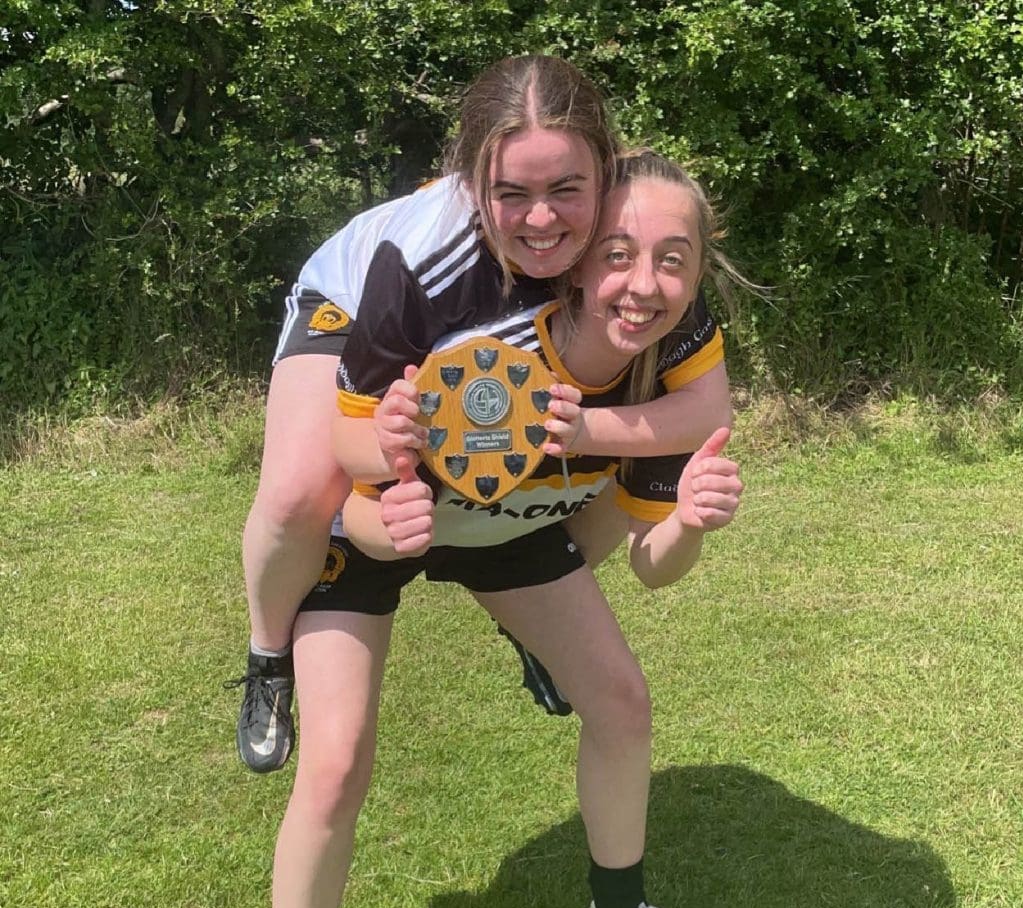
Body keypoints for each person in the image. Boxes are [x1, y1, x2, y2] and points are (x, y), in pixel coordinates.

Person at [258, 150, 744, 908]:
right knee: (334, 762)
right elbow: (360, 496)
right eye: (620, 254)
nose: (644, 285)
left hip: (511, 530)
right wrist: (387, 527)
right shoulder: (480, 356)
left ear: (700, 275)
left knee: (622, 702)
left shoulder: (663, 381)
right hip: (382, 525)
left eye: (674, 260)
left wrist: (687, 526)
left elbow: (651, 565)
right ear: (580, 254)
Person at [228, 55, 732, 773]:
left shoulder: (639, 233)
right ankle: (267, 655)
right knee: (299, 493)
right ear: (472, 180)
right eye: (512, 192)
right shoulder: (430, 254)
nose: (543, 215)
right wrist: (398, 446)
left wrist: (583, 432)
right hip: (350, 301)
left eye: (566, 188)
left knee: (590, 480)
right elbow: (360, 447)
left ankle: (537, 628)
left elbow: (707, 413)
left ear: (601, 168)